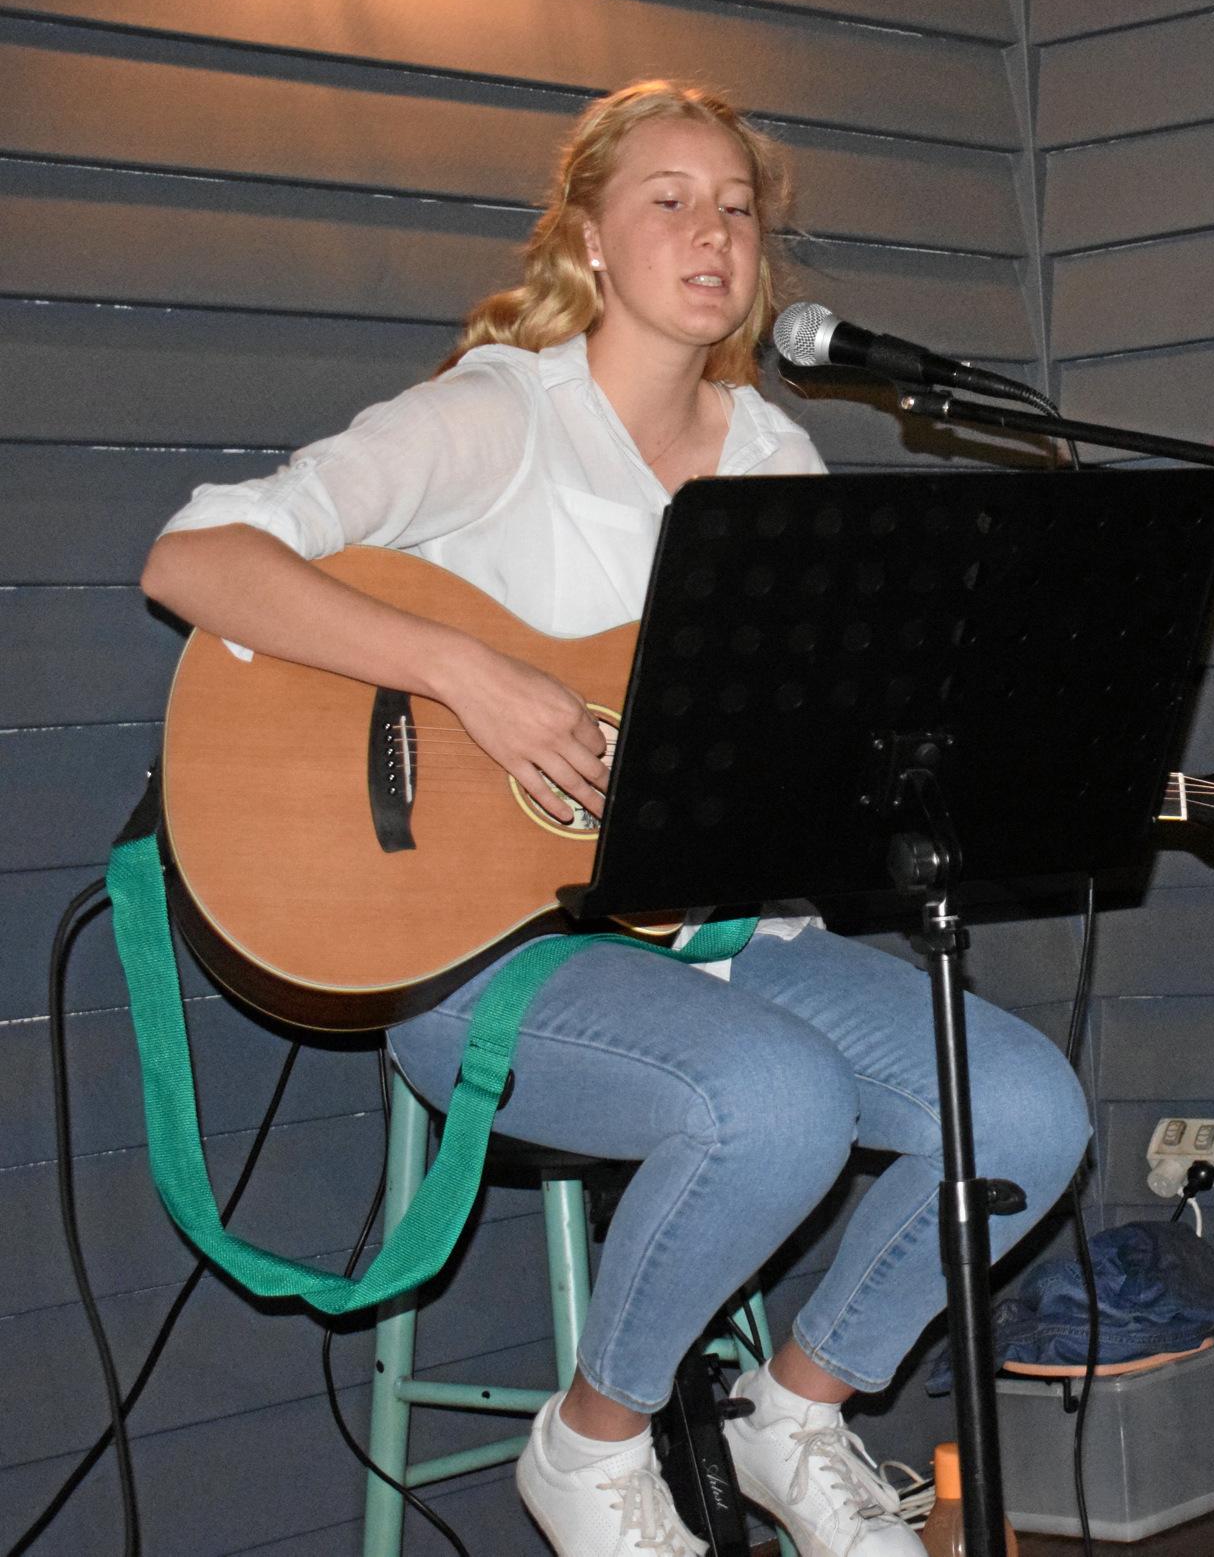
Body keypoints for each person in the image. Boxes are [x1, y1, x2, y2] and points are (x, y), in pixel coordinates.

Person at [140, 81, 1090, 1557]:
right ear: (588, 231)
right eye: (668, 197)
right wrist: (468, 674)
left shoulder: (776, 459)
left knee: (1029, 1110)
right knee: (773, 1100)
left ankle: (796, 1410)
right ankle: (590, 1447)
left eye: (734, 206)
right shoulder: (496, 417)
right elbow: (201, 555)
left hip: (719, 938)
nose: (709, 230)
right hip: (482, 956)